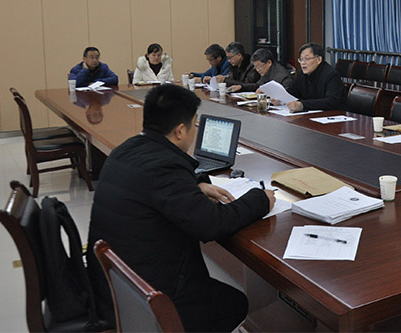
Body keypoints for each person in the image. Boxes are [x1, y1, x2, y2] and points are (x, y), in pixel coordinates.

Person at [86, 84, 275, 332]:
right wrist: (260, 199)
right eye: (194, 124)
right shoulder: (165, 167)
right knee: (234, 303)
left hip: (115, 284)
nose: (194, 131)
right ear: (180, 131)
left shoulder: (126, 150)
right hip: (150, 299)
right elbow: (212, 225)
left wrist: (195, 185)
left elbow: (154, 188)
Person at [282, 43, 345, 112]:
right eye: (301, 59)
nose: (303, 63)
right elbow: (292, 92)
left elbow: (332, 101)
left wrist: (302, 105)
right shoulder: (301, 74)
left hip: (333, 115)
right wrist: (280, 99)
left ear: (319, 59)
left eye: (307, 59)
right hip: (311, 114)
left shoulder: (331, 75)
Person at [228, 48, 294, 93]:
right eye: (255, 67)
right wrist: (241, 87)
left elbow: (288, 94)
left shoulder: (282, 76)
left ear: (269, 62)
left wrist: (267, 92)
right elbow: (258, 85)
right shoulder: (267, 71)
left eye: (259, 66)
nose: (258, 70)